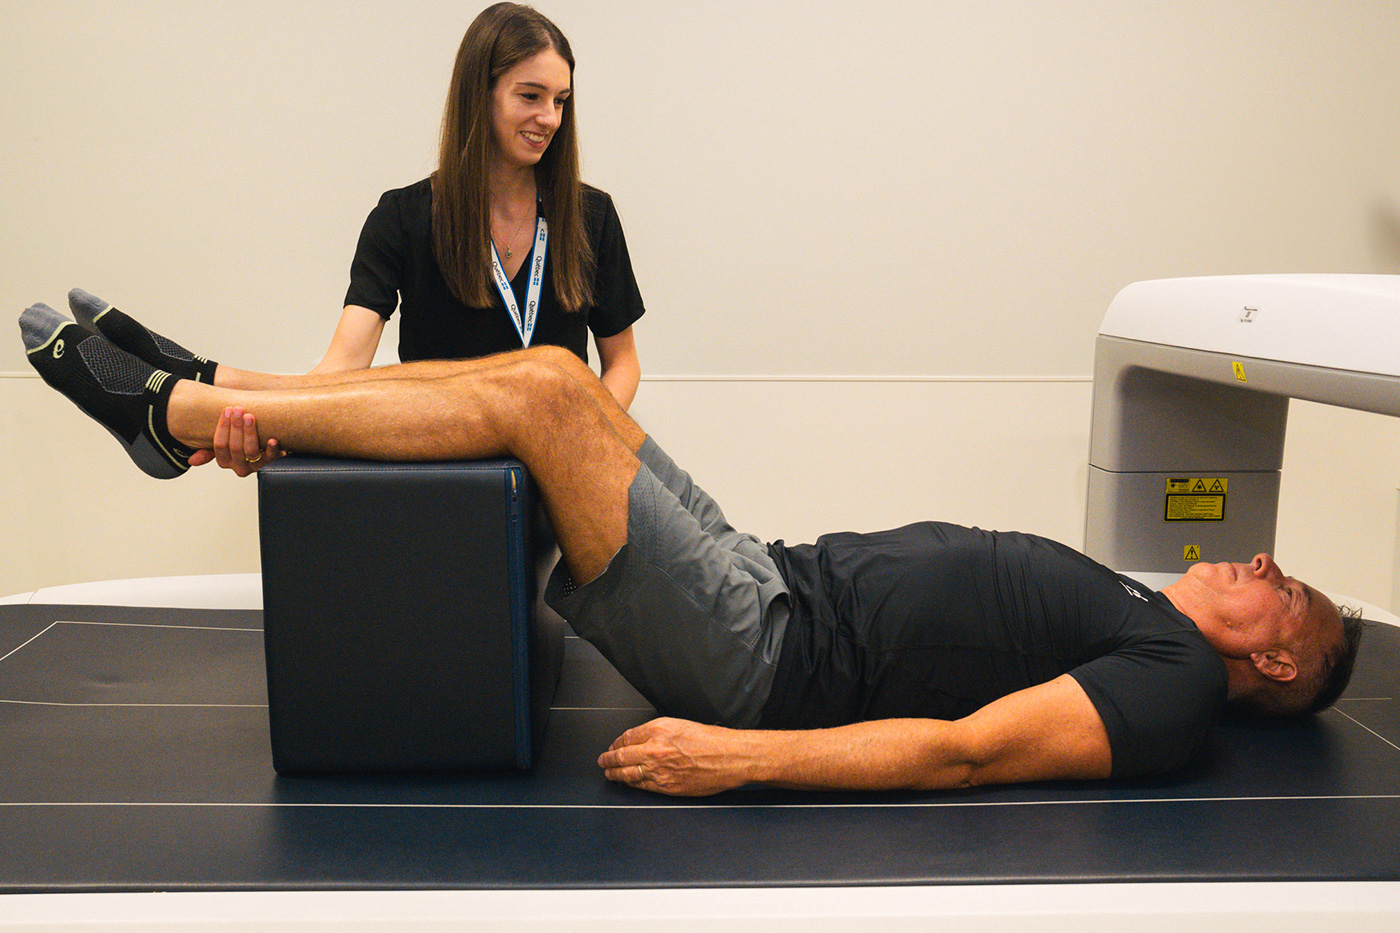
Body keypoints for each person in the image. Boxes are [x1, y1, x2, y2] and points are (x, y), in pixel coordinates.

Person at [19, 303, 1364, 797]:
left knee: (543, 400)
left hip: (761, 656)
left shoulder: (1170, 688)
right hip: (767, 574)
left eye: (1284, 588)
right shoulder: (1153, 621)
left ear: (1277, 660)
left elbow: (968, 751)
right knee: (554, 373)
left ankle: (173, 414)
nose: (1259, 564)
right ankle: (218, 384)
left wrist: (741, 760)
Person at [72, 3, 645, 469]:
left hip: (555, 463)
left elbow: (622, 362)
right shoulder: (403, 217)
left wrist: (583, 434)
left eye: (560, 101)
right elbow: (340, 372)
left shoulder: (590, 216)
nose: (550, 118)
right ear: (481, 93)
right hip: (442, 461)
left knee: (529, 388)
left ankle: (190, 394)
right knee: (371, 397)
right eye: (531, 96)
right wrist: (256, 429)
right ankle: (198, 391)